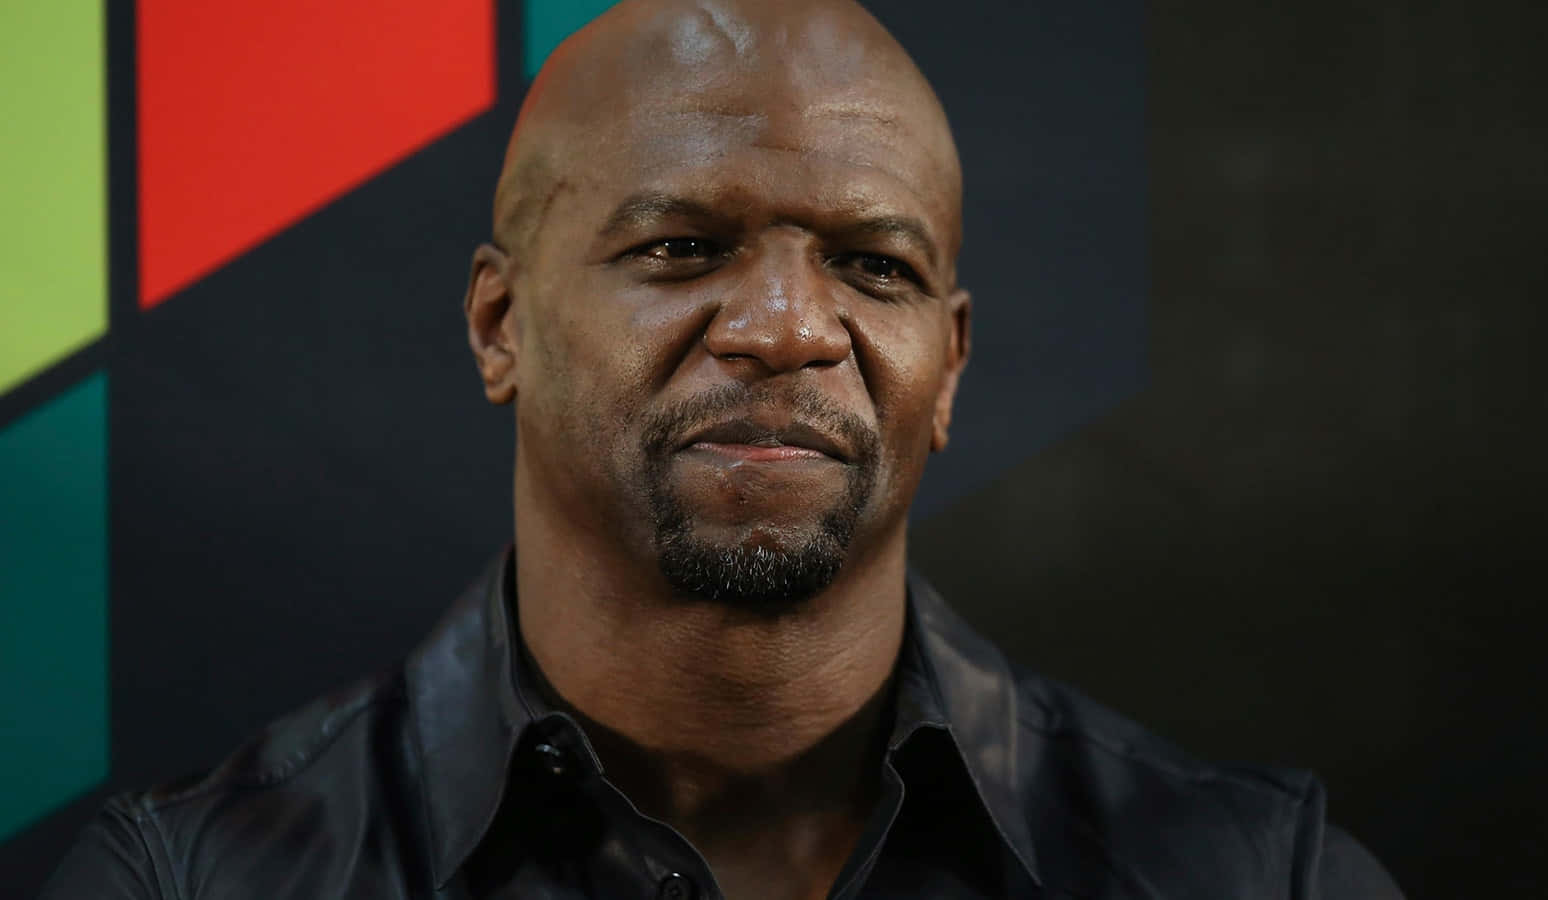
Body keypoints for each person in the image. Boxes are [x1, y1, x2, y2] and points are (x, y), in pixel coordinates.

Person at [42, 1, 1404, 897]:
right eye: (681, 248)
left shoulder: (1251, 876)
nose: (784, 328)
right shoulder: (192, 878)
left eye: (873, 266)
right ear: (501, 322)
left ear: (952, 364)